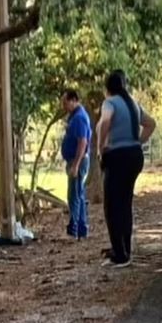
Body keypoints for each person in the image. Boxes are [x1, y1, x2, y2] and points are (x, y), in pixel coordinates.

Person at [96, 70, 156, 268]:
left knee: (112, 206)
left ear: (107, 88)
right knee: (125, 202)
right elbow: (150, 124)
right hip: (134, 156)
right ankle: (124, 249)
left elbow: (105, 121)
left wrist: (101, 148)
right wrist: (137, 141)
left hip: (117, 156)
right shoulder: (132, 103)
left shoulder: (110, 103)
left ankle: (119, 255)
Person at [60, 89, 91, 240]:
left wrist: (76, 165)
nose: (63, 106)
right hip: (73, 159)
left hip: (77, 160)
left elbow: (82, 142)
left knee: (74, 195)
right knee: (78, 194)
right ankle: (81, 229)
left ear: (74, 100)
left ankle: (76, 230)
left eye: (65, 103)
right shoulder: (74, 117)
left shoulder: (79, 117)